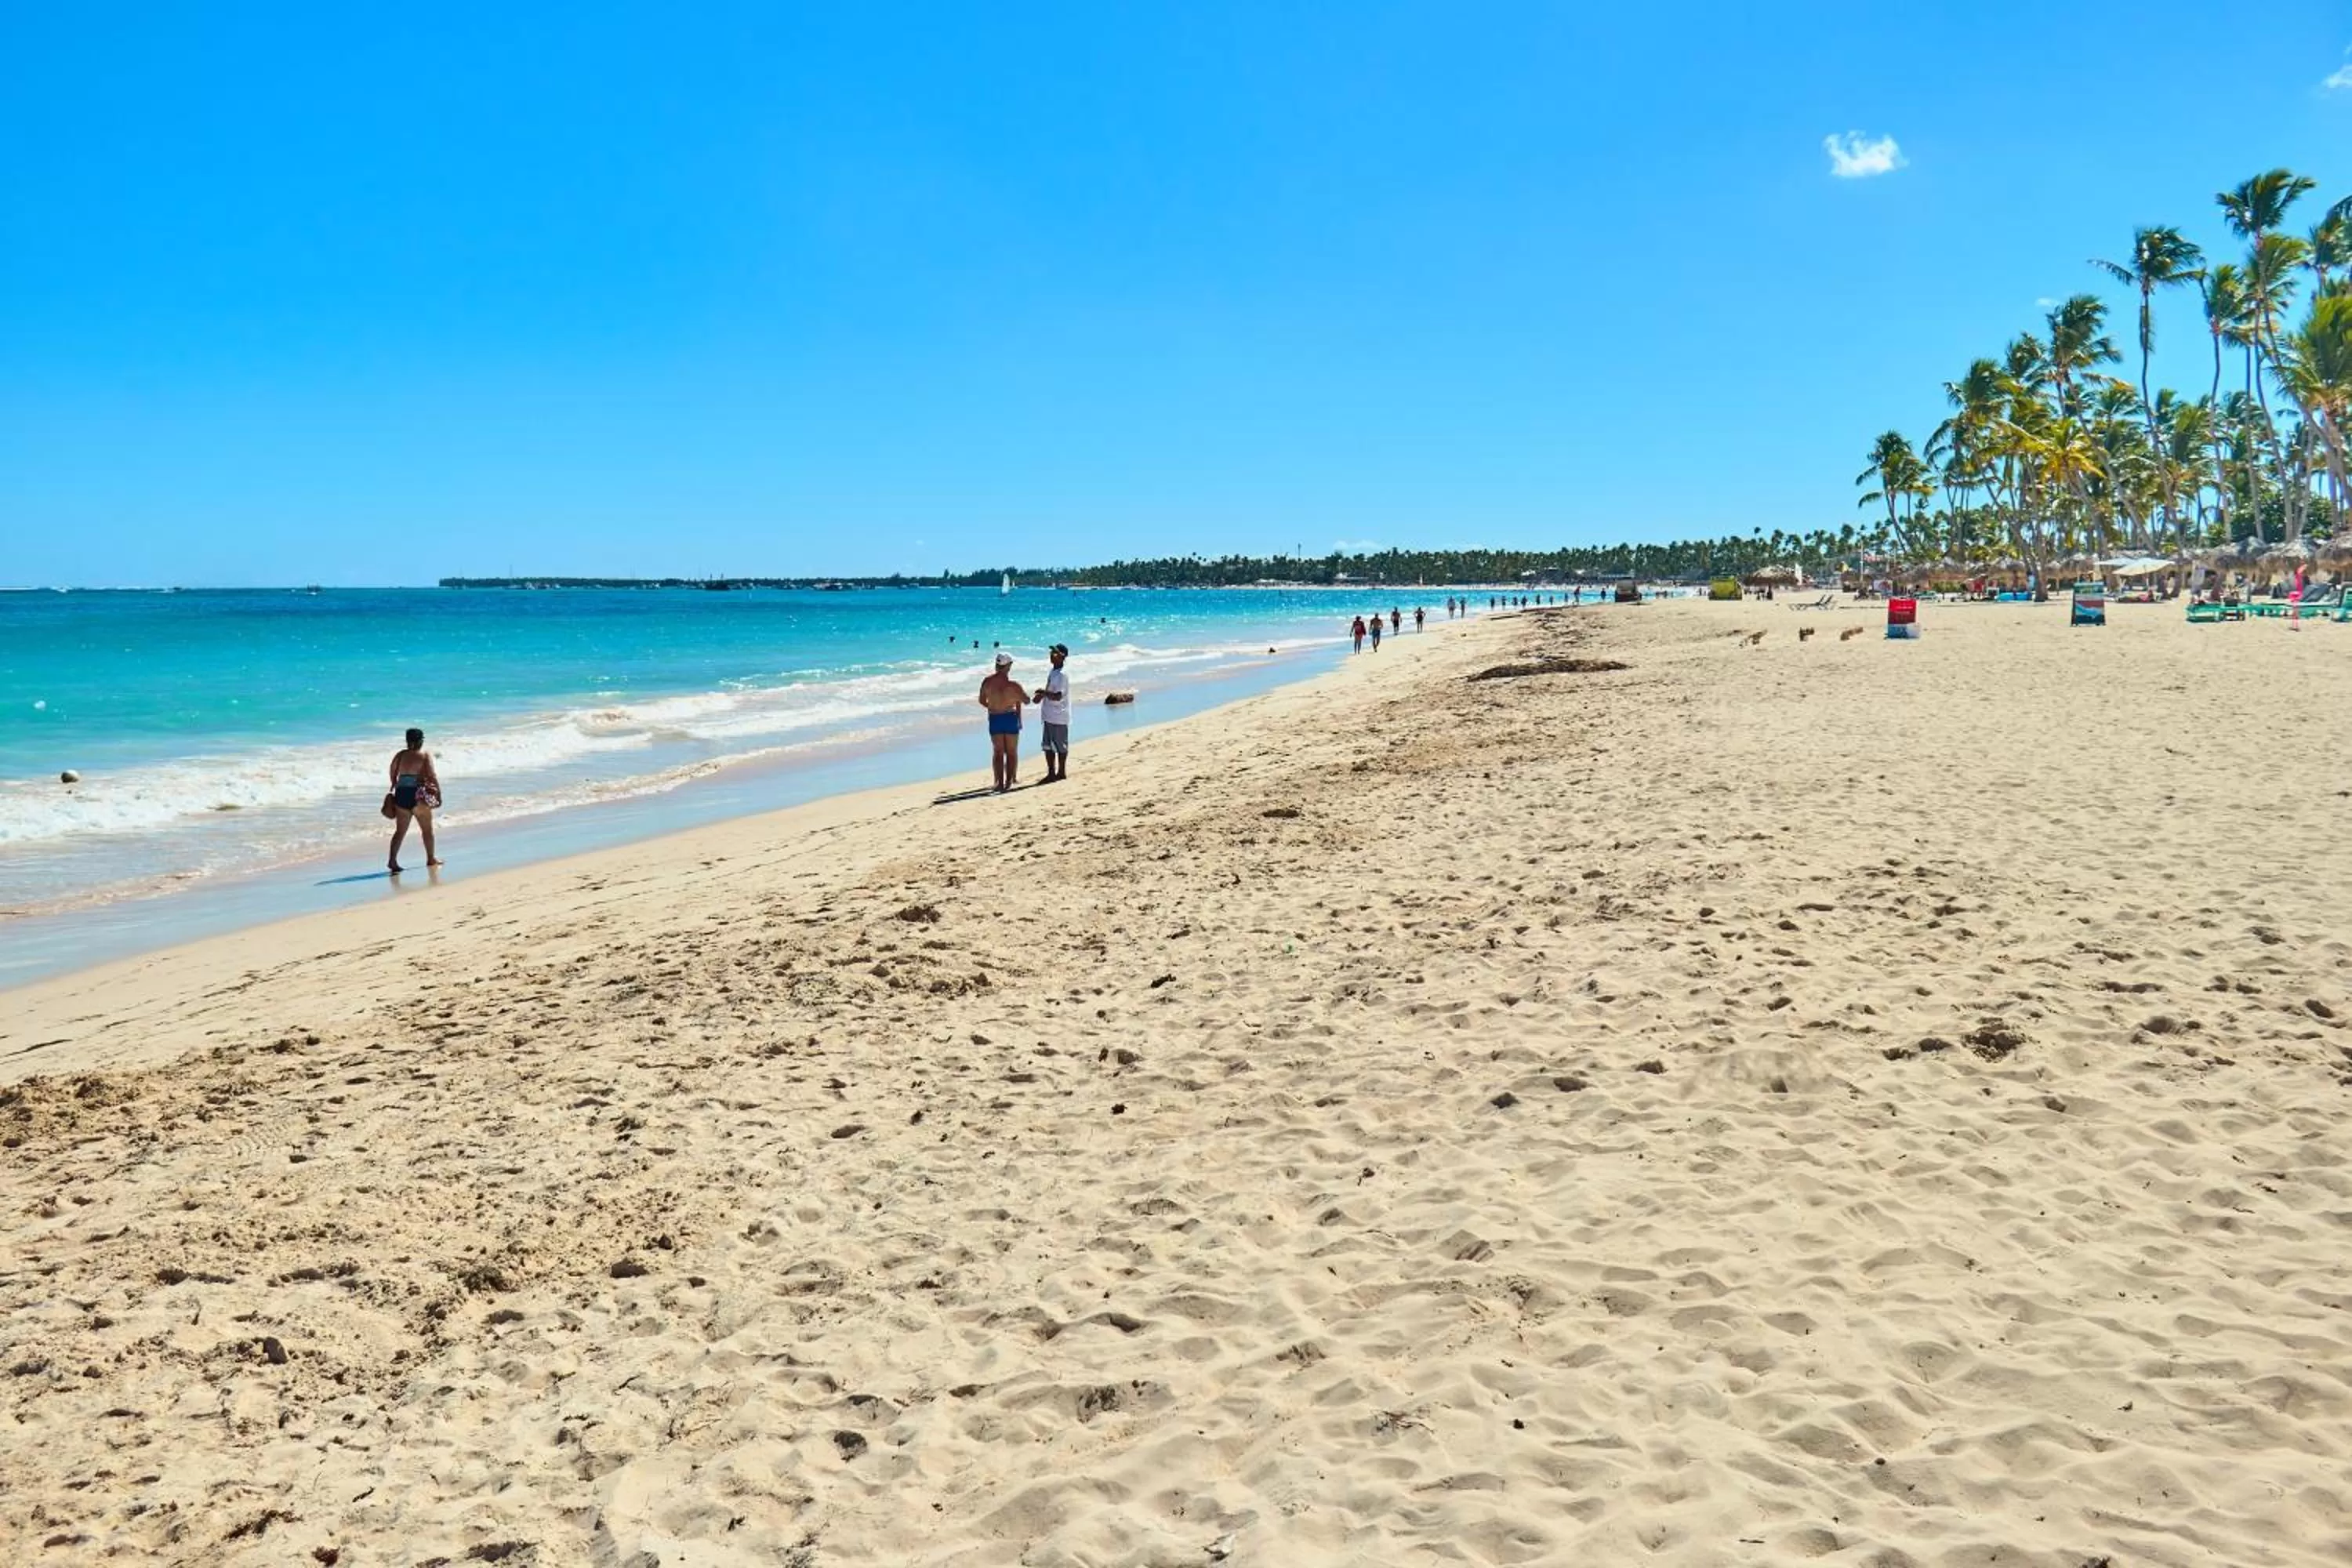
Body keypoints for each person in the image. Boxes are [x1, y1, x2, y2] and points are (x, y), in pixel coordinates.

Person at [387, 728, 441, 872]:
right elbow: (432, 776)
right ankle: (430, 858)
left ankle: (392, 861)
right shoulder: (424, 755)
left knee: (400, 831)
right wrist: (438, 794)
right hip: (418, 795)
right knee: (427, 830)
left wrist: (395, 783)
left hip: (401, 794)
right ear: (420, 740)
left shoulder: (400, 755)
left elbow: (392, 772)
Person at [978, 652, 1029, 792]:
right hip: (1010, 717)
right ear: (1009, 666)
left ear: (996, 665)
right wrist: (1013, 699)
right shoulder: (1014, 685)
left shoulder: (987, 682)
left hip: (995, 718)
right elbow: (1027, 700)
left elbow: (982, 701)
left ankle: (999, 783)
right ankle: (1009, 782)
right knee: (1011, 752)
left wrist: (994, 706)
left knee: (998, 752)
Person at [1034, 643, 1073, 782]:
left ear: (1062, 657)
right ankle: (1051, 772)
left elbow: (1058, 696)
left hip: (1059, 715)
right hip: (1049, 714)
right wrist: (1041, 696)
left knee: (1060, 746)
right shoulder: (1053, 671)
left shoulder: (1062, 674)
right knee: (1048, 746)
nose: (1052, 655)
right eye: (1051, 653)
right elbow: (1051, 691)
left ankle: (1061, 772)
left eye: (1055, 653)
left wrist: (1043, 693)